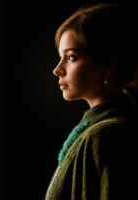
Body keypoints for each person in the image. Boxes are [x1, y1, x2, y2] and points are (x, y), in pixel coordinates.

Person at [46, 3, 138, 200]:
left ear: (108, 66)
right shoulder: (96, 130)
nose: (57, 69)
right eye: (60, 57)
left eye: (71, 57)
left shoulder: (108, 135)